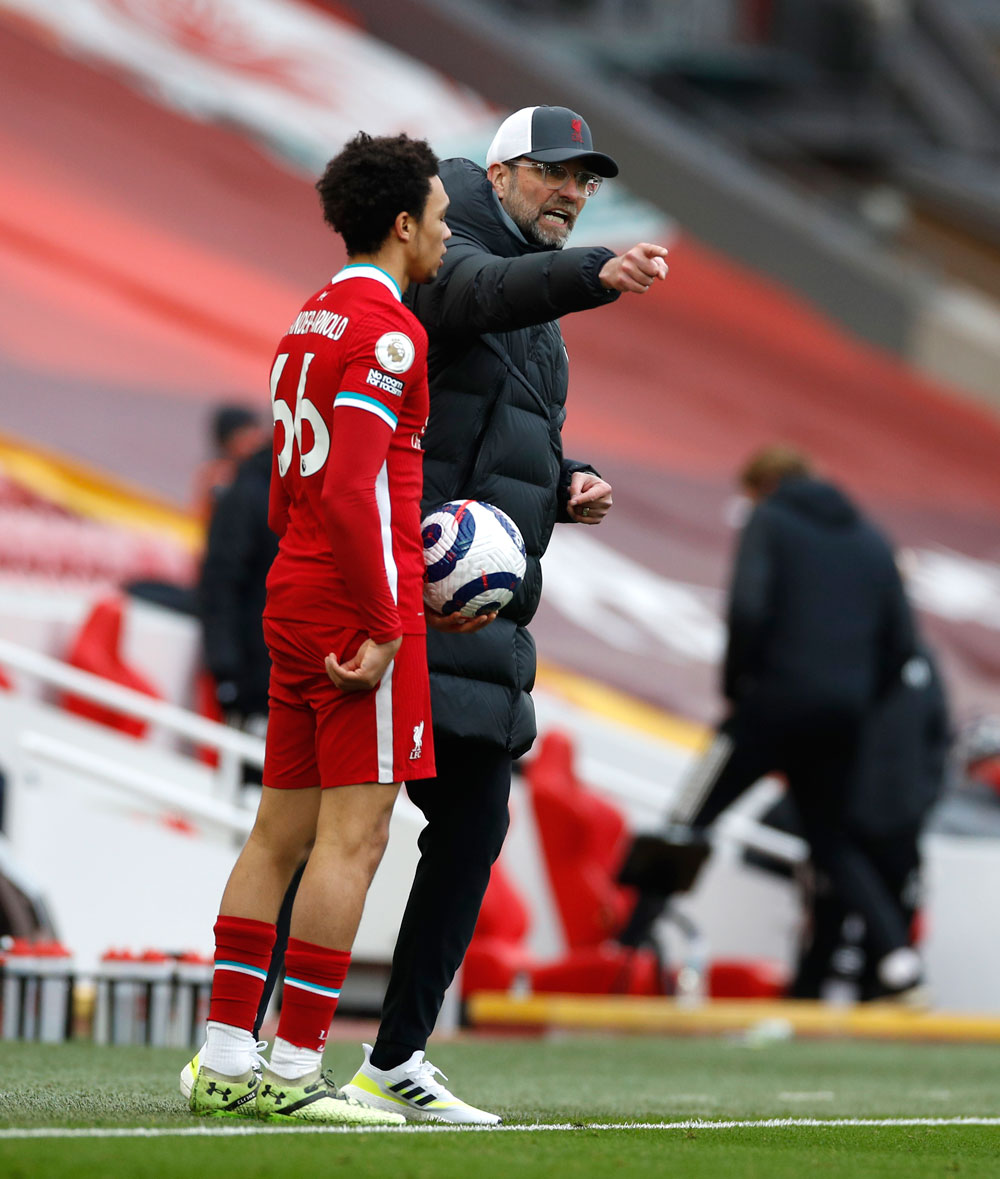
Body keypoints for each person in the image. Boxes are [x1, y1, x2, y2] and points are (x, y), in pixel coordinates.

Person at [330, 104, 670, 1123]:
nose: (574, 194)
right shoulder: (452, 244)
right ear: (503, 172)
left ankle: (394, 1056)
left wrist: (567, 478)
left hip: (475, 625)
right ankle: (250, 1040)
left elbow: (499, 419)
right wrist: (591, 270)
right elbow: (474, 296)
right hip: (401, 603)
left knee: (469, 825)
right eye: (558, 175)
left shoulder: (527, 273)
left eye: (588, 183)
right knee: (335, 829)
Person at [184, 130, 450, 1126]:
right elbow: (348, 488)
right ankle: (295, 1072)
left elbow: (291, 487)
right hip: (355, 603)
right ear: (400, 223)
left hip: (297, 592)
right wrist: (386, 620)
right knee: (356, 836)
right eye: (439, 215)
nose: (444, 230)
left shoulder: (307, 319)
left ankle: (223, 1057)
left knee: (277, 831)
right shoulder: (390, 333)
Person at [619, 444, 922, 997]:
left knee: (689, 817)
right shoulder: (874, 542)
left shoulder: (771, 520)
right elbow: (901, 645)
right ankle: (898, 957)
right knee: (832, 840)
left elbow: (748, 610)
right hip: (841, 721)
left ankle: (626, 947)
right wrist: (856, 699)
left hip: (768, 707)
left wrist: (740, 689)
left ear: (763, 487)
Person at [788, 640, 950, 1000]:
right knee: (828, 927)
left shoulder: (919, 660)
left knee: (890, 913)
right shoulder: (837, 654)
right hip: (841, 816)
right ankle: (813, 1000)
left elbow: (938, 735)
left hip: (900, 822)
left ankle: (888, 976)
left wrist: (920, 801)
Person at [198, 440, 278, 735]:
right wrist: (226, 671)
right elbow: (220, 582)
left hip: (295, 679)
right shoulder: (250, 491)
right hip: (254, 680)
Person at [191, 404, 267, 525]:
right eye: (246, 434)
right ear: (229, 439)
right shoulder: (217, 473)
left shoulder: (257, 468)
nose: (256, 439)